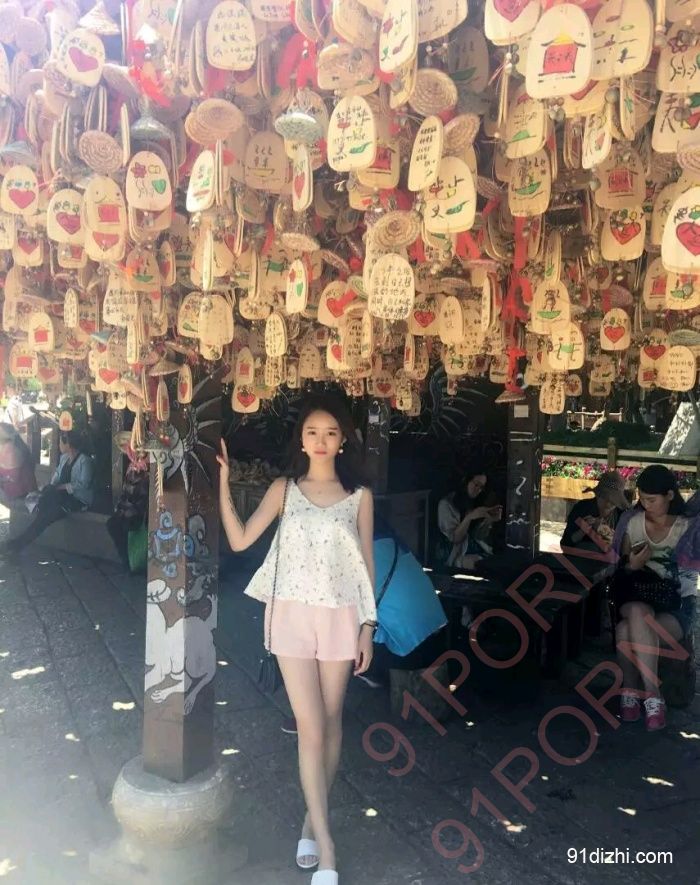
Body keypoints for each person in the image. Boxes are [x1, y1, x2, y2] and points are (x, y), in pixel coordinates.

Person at [218, 394, 375, 885]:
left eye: (330, 432)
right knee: (309, 728)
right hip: (290, 615)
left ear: (343, 440)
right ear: (301, 441)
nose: (321, 440)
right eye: (312, 432)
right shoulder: (284, 489)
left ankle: (312, 820)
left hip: (341, 617)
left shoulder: (359, 497)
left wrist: (368, 627)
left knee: (331, 721)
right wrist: (223, 483)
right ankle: (326, 846)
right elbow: (241, 539)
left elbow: (366, 566)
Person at [614, 465, 698, 732]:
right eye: (642, 498)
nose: (645, 505)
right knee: (638, 611)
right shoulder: (632, 522)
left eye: (651, 499)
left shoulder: (688, 527)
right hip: (634, 595)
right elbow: (619, 569)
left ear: (670, 495)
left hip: (675, 606)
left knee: (625, 630)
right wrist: (632, 565)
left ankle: (630, 690)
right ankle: (653, 697)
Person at [0, 430, 94, 555]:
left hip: (77, 499)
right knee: (43, 516)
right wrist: (49, 486)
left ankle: (16, 544)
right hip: (59, 498)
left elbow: (83, 484)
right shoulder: (64, 458)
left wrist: (61, 487)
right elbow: (56, 477)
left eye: (61, 442)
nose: (59, 445)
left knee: (43, 519)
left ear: (68, 444)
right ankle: (17, 544)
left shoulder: (85, 461)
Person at [560, 471, 629, 574]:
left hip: (610, 570)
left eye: (613, 500)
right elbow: (565, 545)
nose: (608, 503)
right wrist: (582, 531)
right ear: (597, 494)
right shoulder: (582, 508)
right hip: (579, 568)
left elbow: (626, 554)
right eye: (604, 497)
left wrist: (611, 538)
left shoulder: (622, 515)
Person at [436, 467, 502, 570]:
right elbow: (455, 538)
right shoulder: (446, 504)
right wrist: (469, 517)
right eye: (476, 485)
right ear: (466, 481)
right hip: (452, 552)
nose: (478, 490)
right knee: (477, 563)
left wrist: (489, 520)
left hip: (474, 549)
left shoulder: (475, 502)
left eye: (481, 487)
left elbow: (479, 536)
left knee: (491, 562)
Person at [106, 434, 149, 569]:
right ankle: (127, 561)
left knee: (120, 525)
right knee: (114, 524)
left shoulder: (145, 466)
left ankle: (130, 562)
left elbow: (139, 492)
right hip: (130, 509)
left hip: (140, 511)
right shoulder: (133, 465)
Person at [0, 422, 37, 505]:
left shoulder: (11, 450)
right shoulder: (16, 447)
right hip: (23, 496)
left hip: (21, 498)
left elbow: (12, 477)